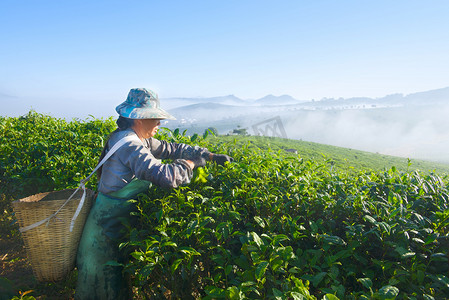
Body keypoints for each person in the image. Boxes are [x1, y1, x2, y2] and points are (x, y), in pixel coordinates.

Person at [75, 88, 233, 300]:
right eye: (155, 119)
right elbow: (164, 176)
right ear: (140, 119)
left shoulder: (138, 138)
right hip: (103, 235)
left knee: (116, 283)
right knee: (103, 286)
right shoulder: (129, 144)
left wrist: (208, 155)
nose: (159, 124)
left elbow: (170, 148)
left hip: (115, 229)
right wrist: (190, 164)